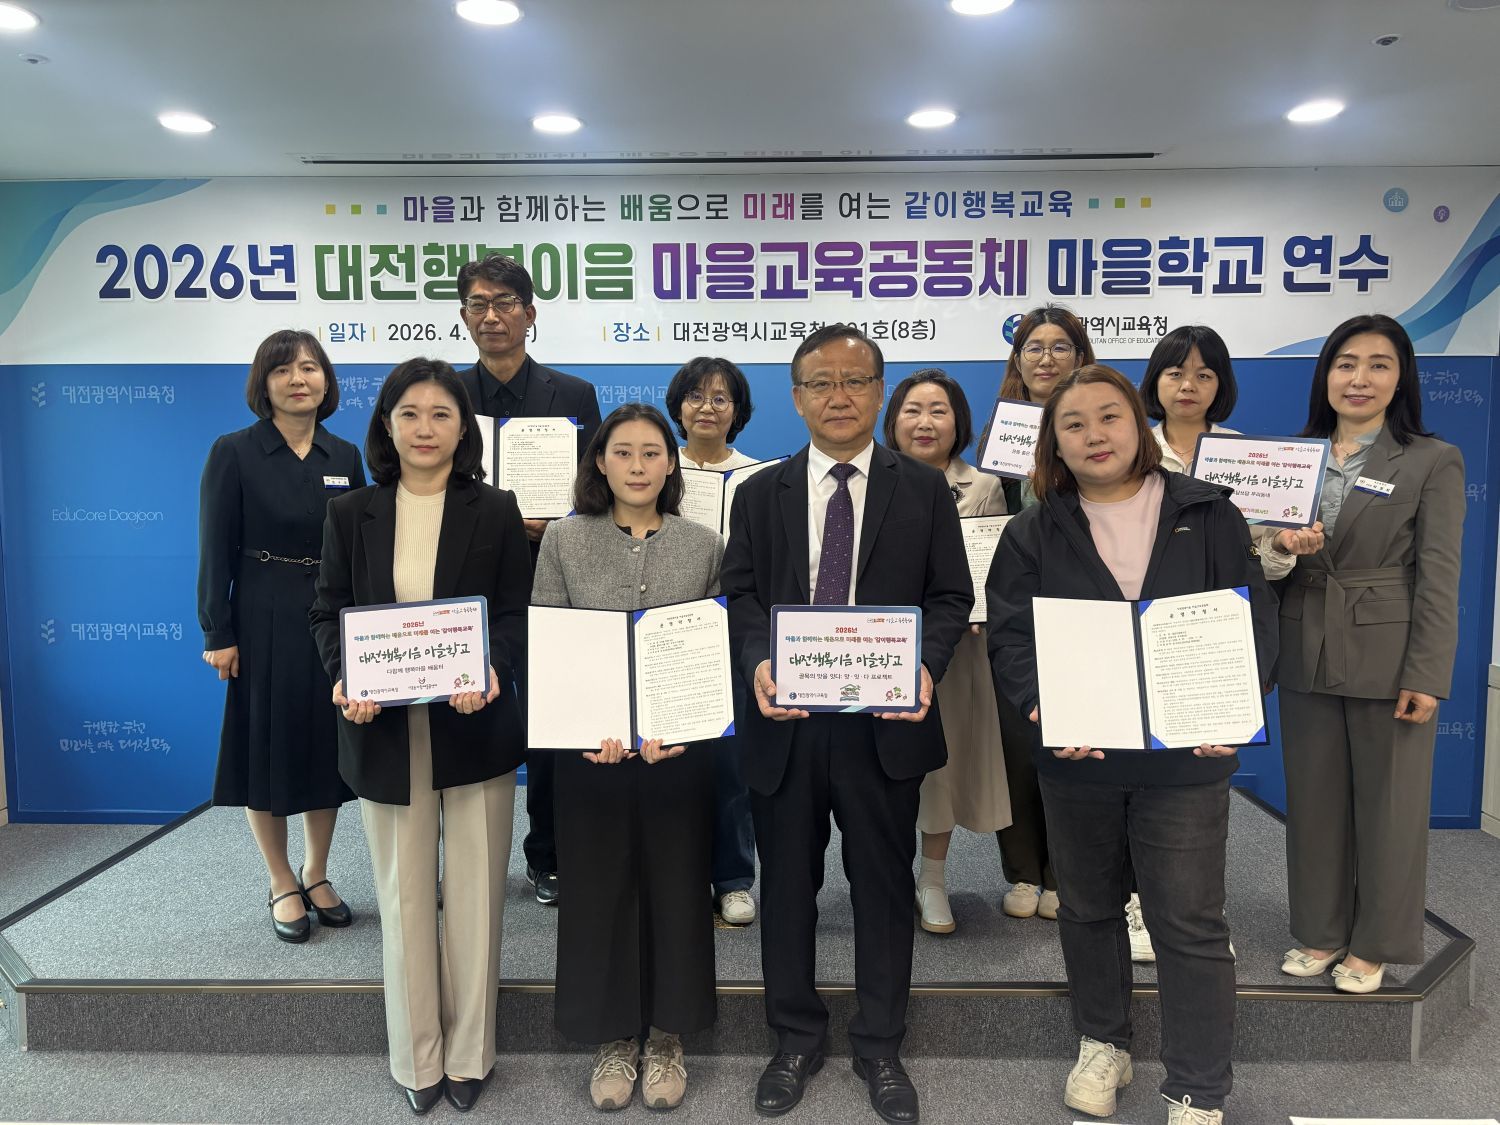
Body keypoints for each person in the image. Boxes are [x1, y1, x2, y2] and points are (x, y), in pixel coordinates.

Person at [987, 364, 1277, 1125]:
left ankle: (1196, 1084)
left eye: (1108, 417)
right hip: (1079, 758)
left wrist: (1235, 704)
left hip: (1185, 761)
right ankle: (1103, 1041)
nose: (1094, 435)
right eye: (1073, 424)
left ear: (1138, 424)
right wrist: (1043, 708)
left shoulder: (1207, 512)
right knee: (1086, 906)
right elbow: (1013, 638)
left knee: (1188, 918)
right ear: (1054, 442)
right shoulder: (1031, 530)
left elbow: (1253, 619)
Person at [721, 324, 971, 1125]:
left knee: (882, 889)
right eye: (821, 382)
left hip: (884, 726)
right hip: (786, 726)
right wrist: (761, 660)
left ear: (878, 392)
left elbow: (949, 599)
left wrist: (923, 668)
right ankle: (794, 1036)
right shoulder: (760, 491)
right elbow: (744, 596)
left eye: (855, 381)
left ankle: (880, 1042)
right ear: (796, 397)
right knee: (788, 887)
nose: (838, 396)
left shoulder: (924, 489)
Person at [309, 358, 530, 1115]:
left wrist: (494, 667)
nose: (425, 427)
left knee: (474, 894)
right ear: (387, 425)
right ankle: (416, 1056)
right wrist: (346, 679)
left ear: (463, 427)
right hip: (385, 732)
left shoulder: (496, 509)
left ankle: (470, 1053)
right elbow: (328, 611)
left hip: (473, 723)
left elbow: (513, 612)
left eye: (441, 413)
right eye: (410, 413)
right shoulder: (352, 512)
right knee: (404, 896)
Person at [531, 402, 725, 1112]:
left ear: (671, 463)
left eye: (651, 453)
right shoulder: (563, 538)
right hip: (592, 755)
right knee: (598, 890)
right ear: (600, 462)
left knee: (676, 887)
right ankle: (614, 1036)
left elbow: (713, 651)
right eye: (623, 453)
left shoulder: (703, 542)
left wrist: (686, 723)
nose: (638, 466)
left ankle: (668, 1035)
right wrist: (582, 725)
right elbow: (549, 640)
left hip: (678, 754)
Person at [1276, 314, 1464, 994]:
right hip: (1304, 642)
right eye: (1345, 362)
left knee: (1390, 803)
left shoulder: (1430, 459)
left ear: (1400, 377)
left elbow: (1441, 575)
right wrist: (1277, 548)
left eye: (1378, 364)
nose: (1359, 377)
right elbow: (1261, 555)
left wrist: (1428, 673)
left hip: (1389, 656)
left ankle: (1376, 939)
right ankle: (1321, 929)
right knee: (1316, 800)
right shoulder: (1292, 455)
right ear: (1325, 374)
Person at [1132, 325, 1325, 963]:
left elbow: (1265, 567)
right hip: (1141, 631)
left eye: (1205, 374)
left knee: (1206, 774)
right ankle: (1138, 906)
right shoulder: (1130, 448)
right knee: (1139, 767)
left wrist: (1284, 548)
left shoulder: (1250, 456)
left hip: (1219, 636)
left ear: (1222, 385)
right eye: (1176, 372)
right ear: (1155, 381)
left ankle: (1199, 909)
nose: (1189, 386)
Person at [197, 329, 364, 943]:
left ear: (327, 381)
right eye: (284, 370)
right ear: (262, 384)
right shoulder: (235, 451)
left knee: (326, 747)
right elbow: (214, 547)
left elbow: (359, 544)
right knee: (263, 750)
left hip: (330, 616)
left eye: (311, 368)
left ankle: (317, 871)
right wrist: (219, 629)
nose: (300, 379)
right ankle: (279, 879)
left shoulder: (344, 456)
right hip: (262, 614)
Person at [455, 252, 602, 910]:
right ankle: (465, 857)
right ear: (464, 317)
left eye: (506, 303)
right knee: (466, 714)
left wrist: (563, 516)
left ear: (530, 314)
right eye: (479, 304)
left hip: (550, 575)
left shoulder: (572, 396)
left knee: (549, 724)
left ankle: (548, 853)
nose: (493, 315)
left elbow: (598, 490)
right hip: (469, 577)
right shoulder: (446, 395)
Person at [882, 369, 1012, 936]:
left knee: (943, 764)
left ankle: (932, 879)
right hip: (875, 649)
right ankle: (885, 875)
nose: (925, 422)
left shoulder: (981, 486)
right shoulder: (869, 479)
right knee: (879, 768)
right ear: (893, 420)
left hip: (955, 649)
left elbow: (994, 568)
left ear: (958, 421)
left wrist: (981, 611)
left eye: (939, 410)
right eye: (913, 410)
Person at [979, 304, 1094, 922]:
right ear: (1017, 360)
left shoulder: (1102, 426)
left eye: (1059, 347)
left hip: (1084, 613)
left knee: (1077, 740)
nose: (1046, 358)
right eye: (1033, 348)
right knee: (1018, 740)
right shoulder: (1003, 435)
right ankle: (1022, 870)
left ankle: (1062, 870)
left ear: (1081, 357)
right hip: (1015, 610)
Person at [664, 356, 760, 927]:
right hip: (663, 634)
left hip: (731, 637)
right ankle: (676, 874)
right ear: (678, 406)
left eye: (721, 398)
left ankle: (733, 877)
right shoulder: (654, 465)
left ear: (738, 411)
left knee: (730, 763)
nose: (708, 407)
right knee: (669, 763)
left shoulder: (761, 476)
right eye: (696, 396)